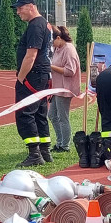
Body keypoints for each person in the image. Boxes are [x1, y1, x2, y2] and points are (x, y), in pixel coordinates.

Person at [12, 0, 54, 167]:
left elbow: (32, 54)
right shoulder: (44, 23)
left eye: (20, 8)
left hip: (33, 75)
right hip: (43, 74)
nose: (17, 12)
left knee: (25, 112)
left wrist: (21, 77)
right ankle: (45, 150)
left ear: (31, 6)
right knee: (39, 112)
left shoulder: (36, 25)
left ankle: (35, 153)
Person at [47, 25, 81, 153]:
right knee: (52, 115)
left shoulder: (69, 49)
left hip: (65, 88)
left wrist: (51, 67)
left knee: (62, 117)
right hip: (57, 88)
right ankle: (60, 142)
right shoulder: (58, 48)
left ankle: (65, 145)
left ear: (59, 38)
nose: (52, 44)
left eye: (53, 41)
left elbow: (70, 71)